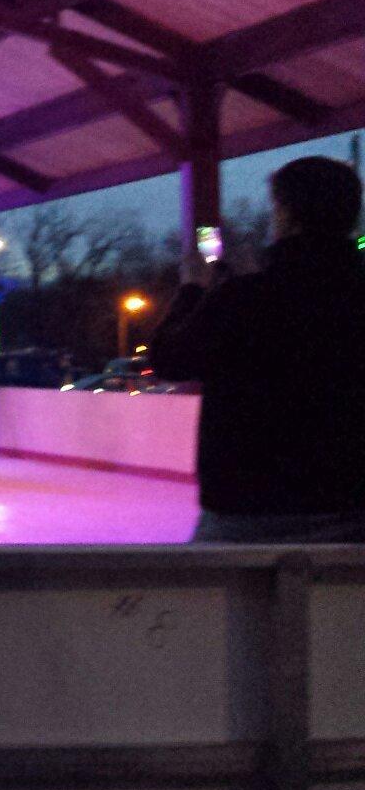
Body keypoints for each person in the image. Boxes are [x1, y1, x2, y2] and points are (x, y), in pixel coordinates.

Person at [153, 156, 365, 543]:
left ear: (286, 214)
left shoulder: (244, 299)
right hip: (352, 509)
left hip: (248, 511)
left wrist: (192, 290)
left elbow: (168, 359)